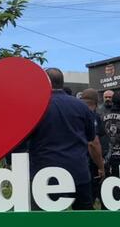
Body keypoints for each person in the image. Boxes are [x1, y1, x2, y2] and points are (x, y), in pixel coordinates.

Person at [26, 68, 104, 210]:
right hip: (78, 171)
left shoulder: (35, 106)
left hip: (44, 174)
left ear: (45, 81)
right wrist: (100, 166)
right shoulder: (81, 106)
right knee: (84, 219)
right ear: (62, 82)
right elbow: (93, 141)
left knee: (43, 222)